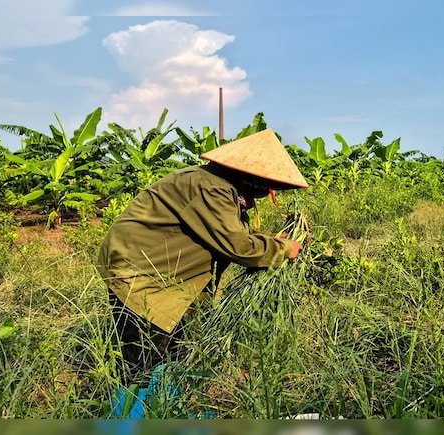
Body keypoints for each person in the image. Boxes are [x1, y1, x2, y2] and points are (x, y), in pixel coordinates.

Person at [95, 129, 309, 399]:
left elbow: (230, 232)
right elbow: (237, 246)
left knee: (177, 350)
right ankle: (131, 415)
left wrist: (269, 240)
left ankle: (166, 407)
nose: (266, 190)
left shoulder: (221, 186)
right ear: (248, 174)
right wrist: (283, 249)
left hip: (166, 275)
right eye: (263, 182)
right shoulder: (211, 187)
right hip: (143, 275)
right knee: (142, 359)